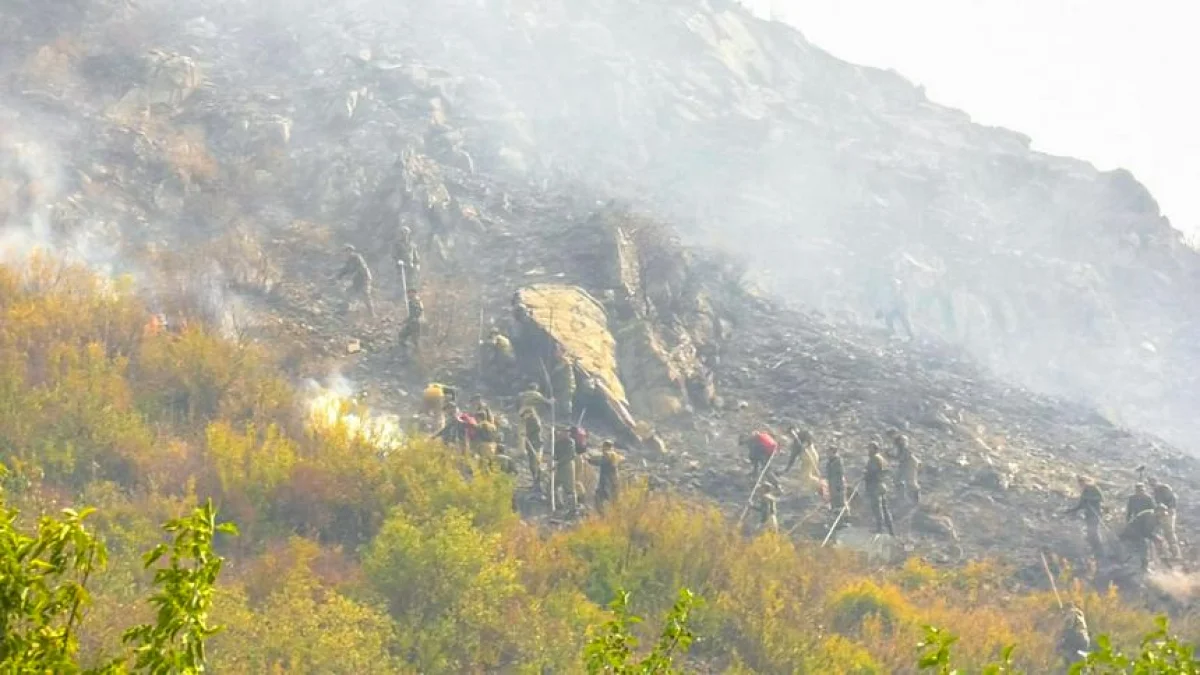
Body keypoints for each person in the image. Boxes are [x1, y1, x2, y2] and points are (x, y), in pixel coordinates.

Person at [1066, 476, 1104, 559]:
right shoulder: (1084, 492)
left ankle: (1101, 551)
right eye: (1080, 483)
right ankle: (1094, 551)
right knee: (1089, 533)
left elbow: (1100, 498)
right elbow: (1081, 505)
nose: (1081, 485)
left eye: (1081, 482)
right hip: (1088, 515)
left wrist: (1090, 499)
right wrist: (1071, 510)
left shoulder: (1094, 488)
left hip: (1095, 514)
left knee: (1094, 532)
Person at [335, 244, 375, 318]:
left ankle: (372, 314)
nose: (344, 254)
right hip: (357, 280)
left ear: (350, 251)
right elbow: (345, 270)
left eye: (346, 251)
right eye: (344, 252)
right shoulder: (349, 260)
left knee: (365, 295)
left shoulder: (357, 258)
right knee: (349, 293)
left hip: (364, 279)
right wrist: (337, 277)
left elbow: (358, 269)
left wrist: (350, 277)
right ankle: (347, 312)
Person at [864, 442, 894, 536]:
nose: (868, 450)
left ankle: (880, 528)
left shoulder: (874, 458)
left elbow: (873, 472)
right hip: (881, 485)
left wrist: (866, 475)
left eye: (870, 448)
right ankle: (890, 529)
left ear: (874, 449)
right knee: (885, 508)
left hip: (875, 486)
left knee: (877, 508)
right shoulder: (880, 458)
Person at [1148, 477, 1181, 559]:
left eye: (1153, 483)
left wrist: (1170, 509)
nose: (1152, 485)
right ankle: (1163, 553)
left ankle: (1175, 553)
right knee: (1157, 533)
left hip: (1168, 513)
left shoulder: (1164, 488)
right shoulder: (1154, 492)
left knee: (1169, 533)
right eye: (1150, 484)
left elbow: (1172, 499)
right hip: (1160, 514)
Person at [587, 440, 622, 512]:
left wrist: (589, 461)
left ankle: (602, 515)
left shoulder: (607, 454)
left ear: (605, 446)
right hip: (614, 479)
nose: (602, 449)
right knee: (614, 498)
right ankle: (615, 513)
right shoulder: (615, 454)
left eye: (603, 446)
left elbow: (602, 462)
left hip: (606, 480)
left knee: (599, 497)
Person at [893, 433, 921, 505]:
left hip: (910, 464)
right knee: (897, 480)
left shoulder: (905, 449)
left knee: (911, 481)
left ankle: (916, 499)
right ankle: (901, 497)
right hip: (904, 465)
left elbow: (903, 457)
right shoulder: (900, 448)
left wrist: (892, 457)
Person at [520, 408, 544, 491]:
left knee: (536, 464)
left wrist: (527, 433)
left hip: (535, 444)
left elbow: (537, 429)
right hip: (531, 444)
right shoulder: (529, 420)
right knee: (532, 465)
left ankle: (538, 483)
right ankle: (535, 482)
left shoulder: (534, 420)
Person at [398, 289, 424, 354]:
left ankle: (419, 355)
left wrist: (415, 318)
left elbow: (419, 311)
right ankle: (407, 351)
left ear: (414, 293)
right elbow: (410, 314)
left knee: (415, 341)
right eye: (408, 293)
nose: (408, 294)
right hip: (411, 323)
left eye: (410, 293)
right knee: (402, 335)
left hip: (416, 323)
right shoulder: (411, 302)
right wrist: (404, 321)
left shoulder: (417, 301)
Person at [826, 446, 847, 514]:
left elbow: (840, 474)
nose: (828, 453)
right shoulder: (829, 462)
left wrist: (838, 486)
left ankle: (844, 518)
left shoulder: (838, 461)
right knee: (833, 503)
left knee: (840, 502)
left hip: (838, 485)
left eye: (829, 452)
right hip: (832, 485)